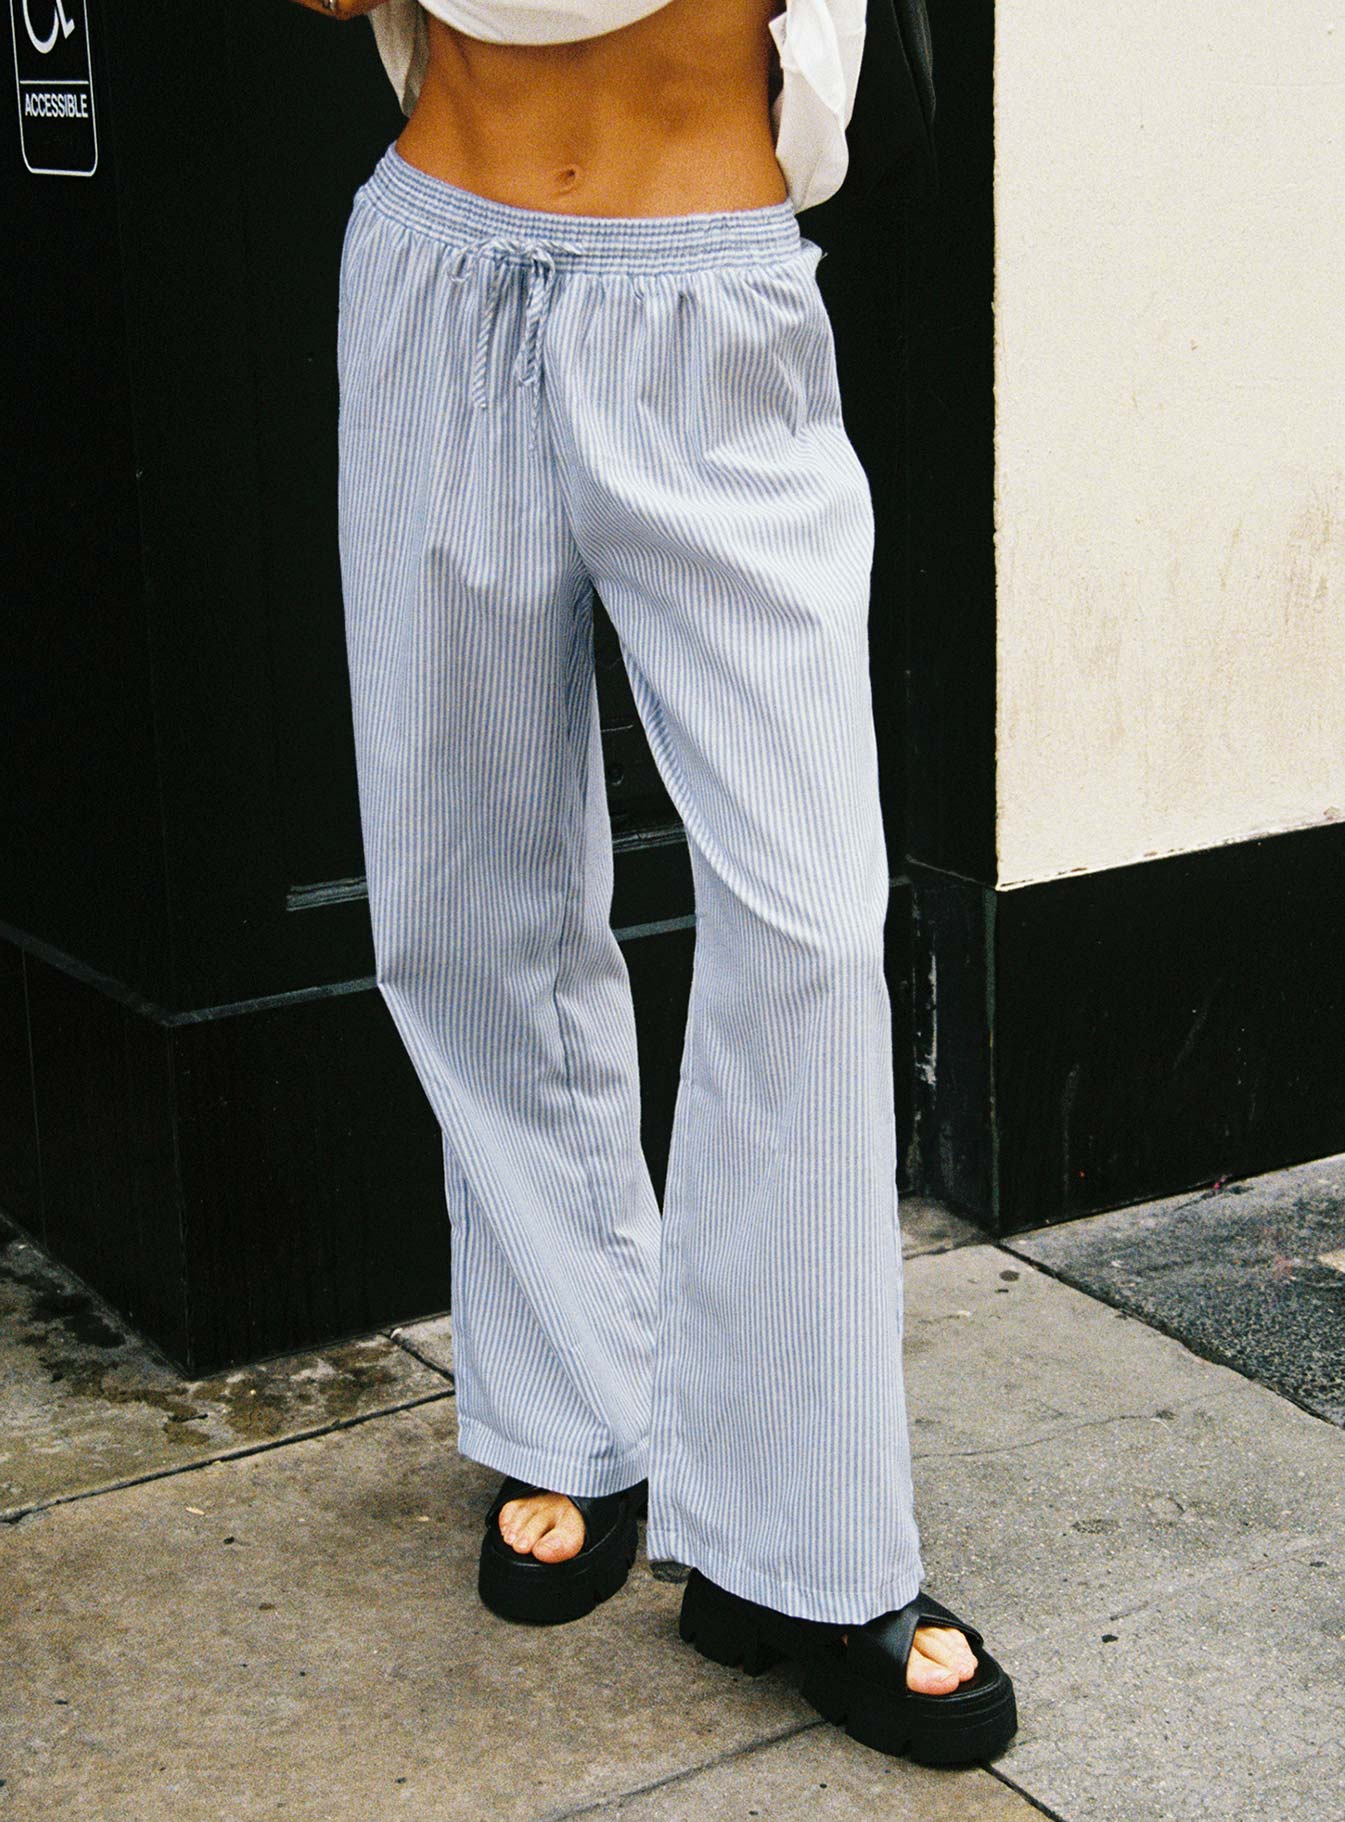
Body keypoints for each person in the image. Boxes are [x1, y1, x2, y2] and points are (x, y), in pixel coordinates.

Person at [291, 0, 1017, 1765]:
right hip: (436, 261)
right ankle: (570, 1403)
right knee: (466, 892)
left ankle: (804, 1539)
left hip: (705, 292)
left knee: (806, 920)